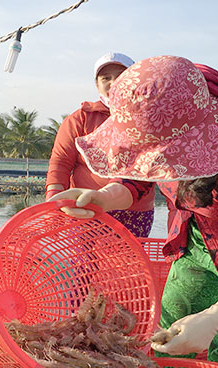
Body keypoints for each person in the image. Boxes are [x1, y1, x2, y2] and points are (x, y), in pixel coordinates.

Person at [51, 56, 218, 368]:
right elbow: (137, 176)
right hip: (197, 242)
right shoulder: (153, 143)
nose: (156, 161)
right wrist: (104, 196)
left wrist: (215, 318)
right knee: (167, 334)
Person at [46, 52, 155, 237]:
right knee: (85, 264)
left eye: (121, 77)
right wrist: (53, 201)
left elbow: (148, 167)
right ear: (97, 85)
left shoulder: (150, 117)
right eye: (106, 78)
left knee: (129, 263)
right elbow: (61, 162)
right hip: (84, 206)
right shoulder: (80, 119)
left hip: (134, 210)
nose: (113, 83)